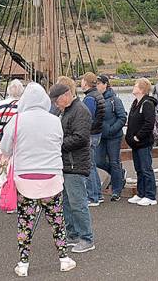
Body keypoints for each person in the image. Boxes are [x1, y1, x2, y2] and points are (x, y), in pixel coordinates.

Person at [0, 82, 76, 277]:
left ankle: (23, 264)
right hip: (52, 177)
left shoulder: (15, 121)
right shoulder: (54, 120)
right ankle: (64, 259)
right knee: (57, 220)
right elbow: (58, 142)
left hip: (25, 179)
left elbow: (5, 148)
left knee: (25, 221)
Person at [50, 82, 95, 253]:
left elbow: (81, 138)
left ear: (66, 96)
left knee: (78, 202)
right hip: (67, 163)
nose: (56, 104)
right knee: (67, 203)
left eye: (57, 101)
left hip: (75, 163)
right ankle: (73, 234)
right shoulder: (67, 111)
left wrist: (57, 144)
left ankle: (86, 238)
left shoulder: (80, 110)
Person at [125, 78, 158, 206]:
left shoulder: (147, 104)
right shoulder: (135, 103)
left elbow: (149, 123)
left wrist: (138, 137)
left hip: (143, 142)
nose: (133, 87)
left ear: (142, 89)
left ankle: (150, 195)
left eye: (135, 85)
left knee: (146, 168)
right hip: (135, 143)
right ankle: (141, 193)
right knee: (139, 169)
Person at [94, 75, 127, 201]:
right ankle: (119, 174)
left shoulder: (115, 100)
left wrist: (112, 129)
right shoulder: (96, 99)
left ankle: (116, 190)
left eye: (98, 83)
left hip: (114, 136)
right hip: (101, 136)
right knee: (98, 161)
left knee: (114, 162)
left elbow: (122, 117)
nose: (96, 86)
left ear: (105, 84)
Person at [80, 72, 105, 206]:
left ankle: (92, 196)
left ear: (86, 82)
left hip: (90, 134)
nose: (81, 83)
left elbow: (86, 117)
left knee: (88, 166)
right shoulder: (98, 95)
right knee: (92, 165)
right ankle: (98, 194)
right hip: (97, 133)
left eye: (82, 81)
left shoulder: (89, 98)